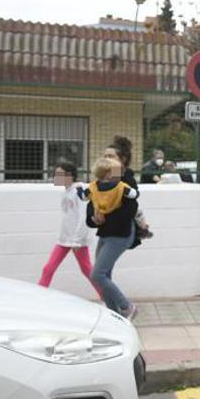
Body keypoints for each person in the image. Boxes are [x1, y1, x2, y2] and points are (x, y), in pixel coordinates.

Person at [85, 156, 139, 320]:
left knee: (97, 275)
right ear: (105, 173)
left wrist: (104, 217)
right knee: (104, 276)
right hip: (105, 234)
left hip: (120, 235)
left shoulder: (122, 189)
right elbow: (89, 214)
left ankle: (126, 307)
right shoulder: (95, 190)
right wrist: (94, 219)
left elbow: (128, 213)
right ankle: (114, 315)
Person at [38, 162, 99, 296]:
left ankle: (108, 298)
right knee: (48, 269)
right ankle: (38, 297)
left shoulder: (80, 190)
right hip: (64, 239)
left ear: (69, 176)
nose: (56, 177)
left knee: (87, 270)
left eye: (59, 174)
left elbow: (83, 216)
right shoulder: (66, 191)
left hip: (76, 240)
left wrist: (77, 241)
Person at [105, 136, 152, 241]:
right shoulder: (106, 175)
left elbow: (133, 197)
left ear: (123, 159)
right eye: (105, 156)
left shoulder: (126, 175)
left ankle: (142, 229)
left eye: (110, 156)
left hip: (122, 228)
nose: (106, 160)